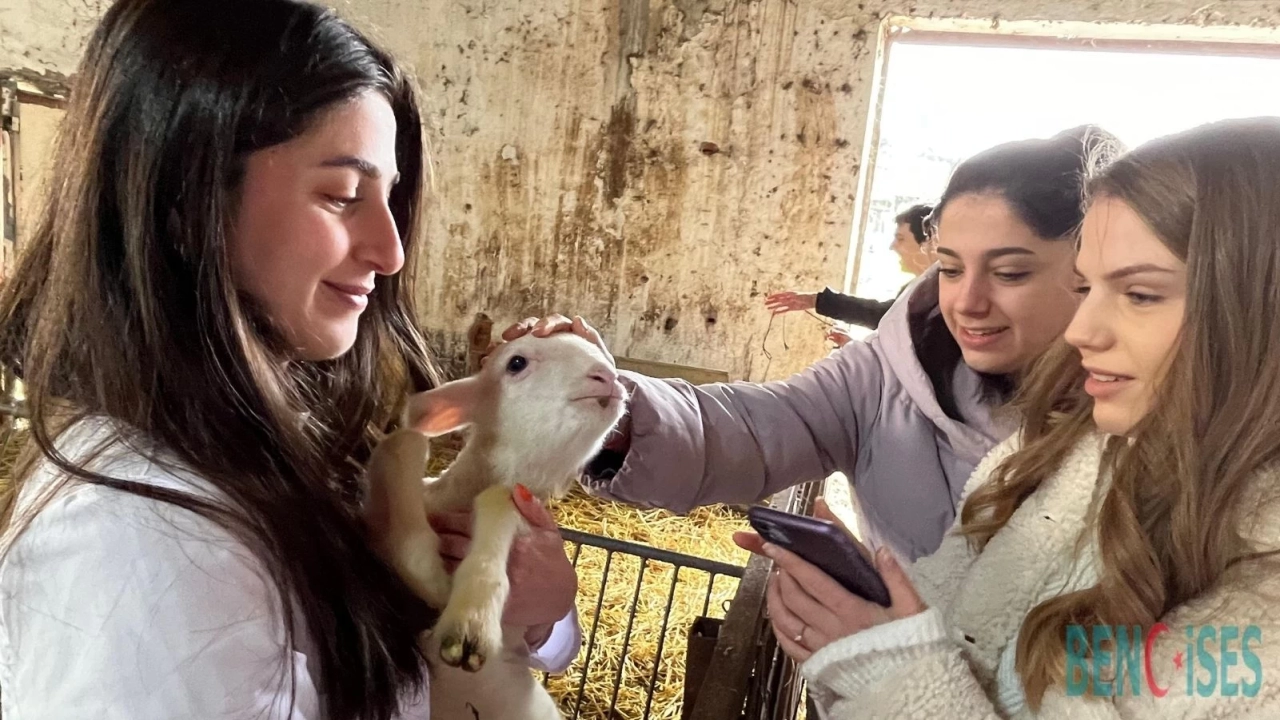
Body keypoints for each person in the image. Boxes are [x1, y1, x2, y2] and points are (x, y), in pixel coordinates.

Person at [0, 1, 578, 718]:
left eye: (390, 199)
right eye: (340, 195)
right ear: (188, 201)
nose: (391, 251)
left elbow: (428, 636)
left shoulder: (297, 435)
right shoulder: (142, 551)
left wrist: (544, 615)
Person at [759, 117, 1280, 718]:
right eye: (1086, 289)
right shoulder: (1061, 446)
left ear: (1257, 304)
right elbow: (957, 604)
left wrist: (883, 668)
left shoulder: (1259, 604)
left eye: (1139, 294)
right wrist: (869, 610)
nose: (1081, 331)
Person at [512, 126, 1120, 563]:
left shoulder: (1156, 432)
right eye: (953, 268)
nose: (966, 301)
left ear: (1097, 269)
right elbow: (755, 428)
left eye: (1011, 272)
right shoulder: (896, 365)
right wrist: (615, 408)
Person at [765, 203, 934, 333]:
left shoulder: (934, 295)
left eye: (901, 239)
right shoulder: (916, 288)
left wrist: (817, 301)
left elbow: (882, 317)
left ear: (926, 243)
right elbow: (884, 319)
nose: (893, 246)